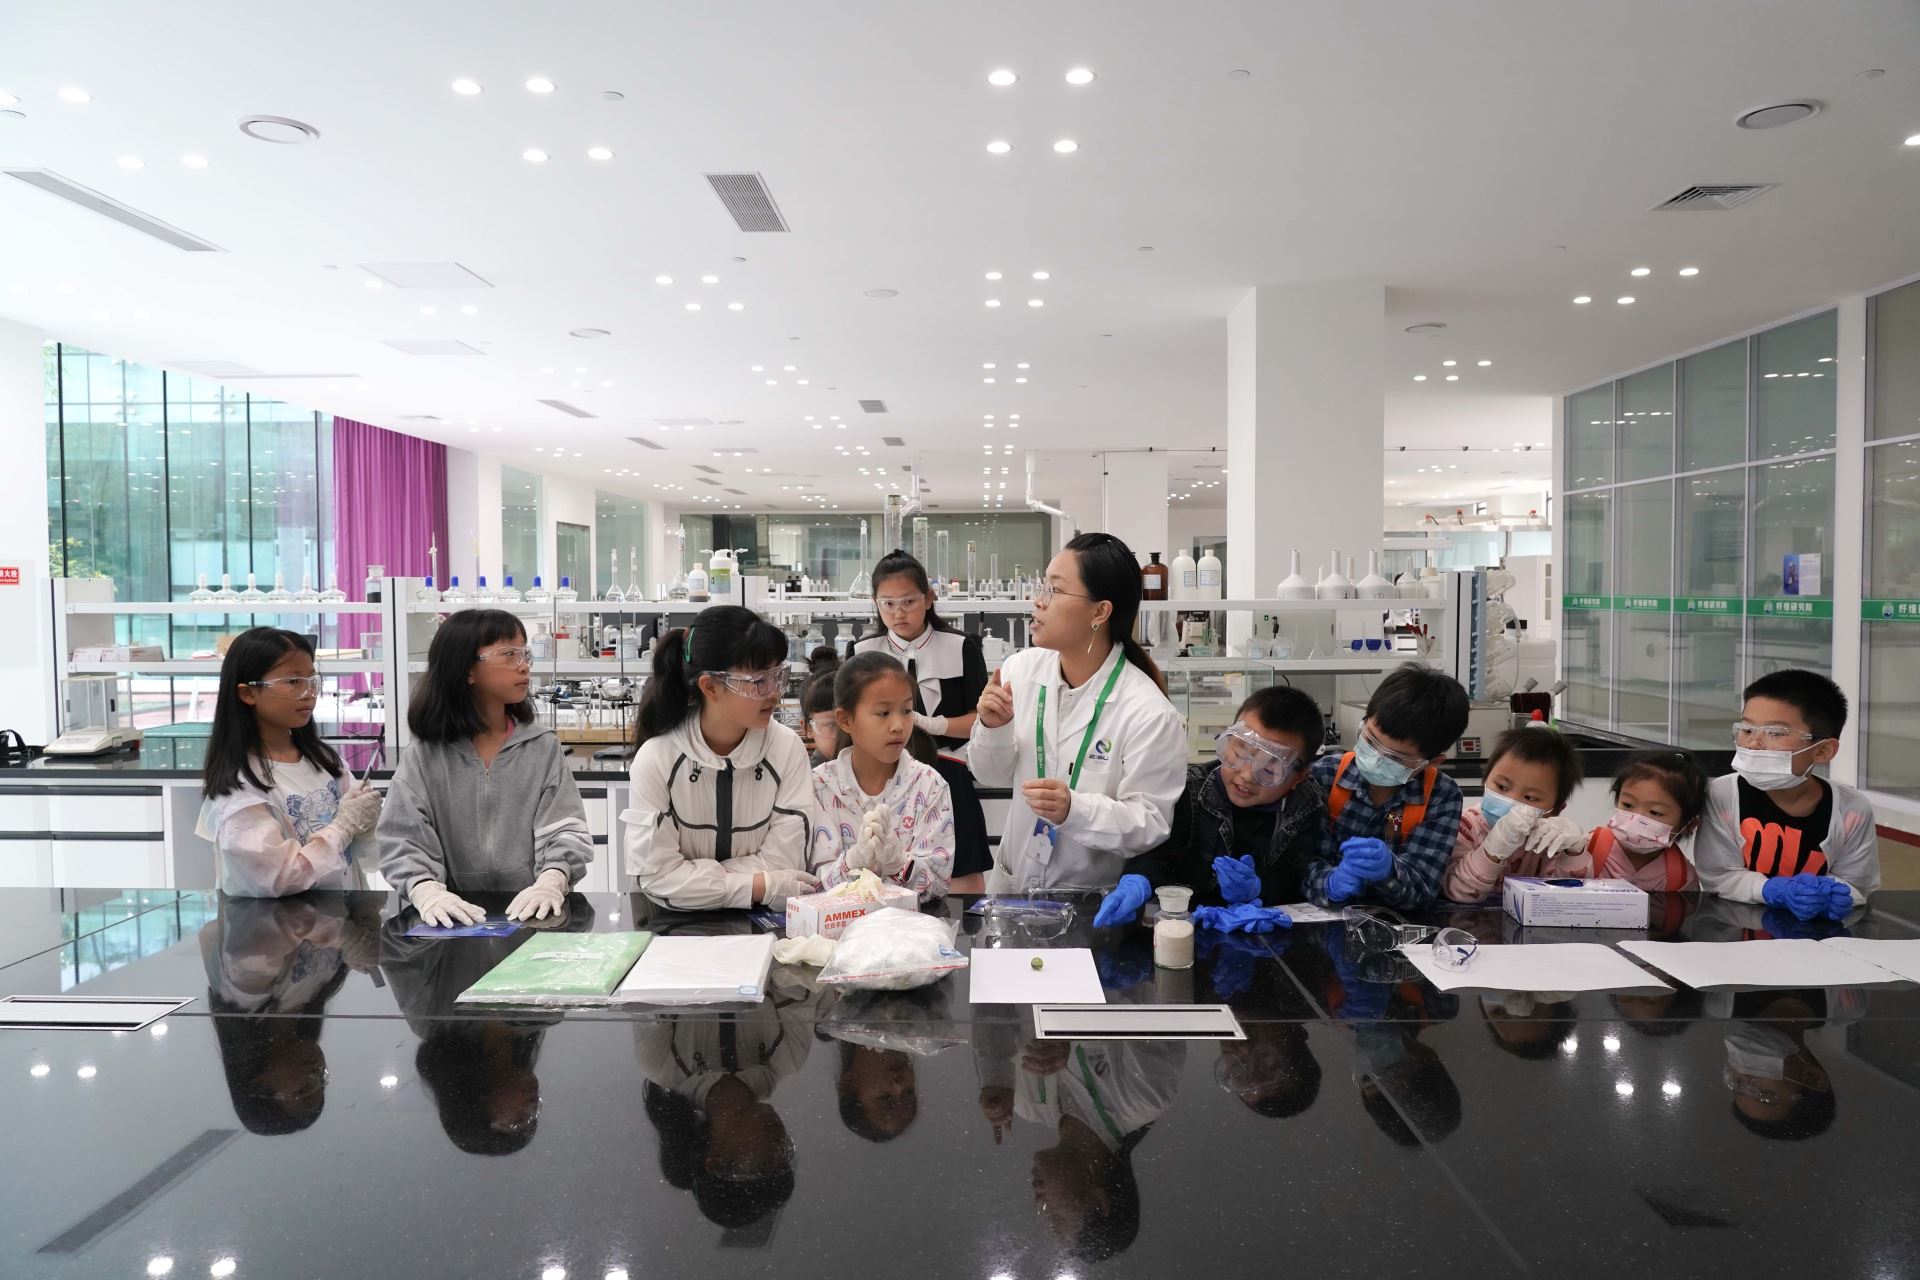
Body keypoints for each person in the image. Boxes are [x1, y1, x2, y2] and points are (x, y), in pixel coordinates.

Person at [970, 532, 1188, 893]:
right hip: (1013, 890)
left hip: (1090, 903)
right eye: (1042, 587)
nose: (1038, 601)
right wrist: (994, 728)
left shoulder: (1149, 712)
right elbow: (989, 774)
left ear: (1100, 612)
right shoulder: (1018, 672)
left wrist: (1076, 810)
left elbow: (1149, 823)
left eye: (1055, 590)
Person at [377, 609, 594, 926]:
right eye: (509, 654)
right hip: (453, 920)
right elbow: (402, 839)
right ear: (467, 669)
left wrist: (552, 880)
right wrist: (426, 891)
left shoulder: (541, 747)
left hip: (532, 916)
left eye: (525, 654)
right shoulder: (425, 755)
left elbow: (565, 830)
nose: (524, 665)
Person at [623, 605, 820, 911]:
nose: (774, 693)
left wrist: (693, 881)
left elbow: (786, 862)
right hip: (673, 924)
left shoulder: (786, 748)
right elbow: (656, 876)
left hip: (763, 920)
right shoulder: (657, 759)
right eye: (759, 681)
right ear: (711, 687)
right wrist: (760, 885)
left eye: (778, 676)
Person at [1093, 684, 1329, 927]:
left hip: (1263, 934)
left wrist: (1258, 887)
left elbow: (1295, 874)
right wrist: (1138, 881)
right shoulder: (1189, 791)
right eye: (1240, 754)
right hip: (1183, 927)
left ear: (1298, 777)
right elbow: (1158, 854)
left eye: (1269, 769)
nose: (1246, 775)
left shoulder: (1306, 807)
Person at [196, 627, 382, 897]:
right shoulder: (241, 786)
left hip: (340, 913)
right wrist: (343, 827)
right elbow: (280, 878)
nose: (309, 693)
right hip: (280, 921)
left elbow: (368, 855)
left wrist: (367, 822)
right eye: (293, 681)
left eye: (312, 680)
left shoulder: (324, 760)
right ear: (248, 693)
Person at [853, 550, 995, 890]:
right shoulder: (863, 653)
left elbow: (981, 718)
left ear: (928, 599)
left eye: (908, 602)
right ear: (875, 603)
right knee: (883, 877)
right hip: (883, 777)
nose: (898, 613)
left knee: (960, 877)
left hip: (948, 771)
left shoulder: (961, 647)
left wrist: (935, 725)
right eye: (887, 604)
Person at [1694, 669, 1879, 920]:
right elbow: (1718, 875)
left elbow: (1857, 884)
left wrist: (1833, 895)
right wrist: (1772, 890)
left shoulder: (1851, 810)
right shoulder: (1722, 795)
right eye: (1747, 729)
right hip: (1737, 925)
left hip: (1817, 932)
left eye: (1776, 733)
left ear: (1822, 750)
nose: (1753, 743)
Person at [1302, 665, 1470, 911]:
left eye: (1396, 757)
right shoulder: (1324, 775)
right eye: (1370, 740)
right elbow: (1299, 863)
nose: (1377, 758)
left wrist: (1389, 871)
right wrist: (1330, 883)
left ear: (1433, 761)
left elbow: (1423, 888)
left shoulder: (1441, 797)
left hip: (1395, 923)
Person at [808, 651, 955, 901]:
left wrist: (900, 864)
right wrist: (853, 861)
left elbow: (938, 886)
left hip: (908, 923)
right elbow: (811, 884)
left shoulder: (929, 784)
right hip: (837, 925)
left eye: (906, 711)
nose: (898, 725)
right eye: (883, 713)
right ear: (845, 719)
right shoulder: (819, 786)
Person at [1439, 726, 1589, 902]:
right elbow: (1459, 891)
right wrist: (1492, 850)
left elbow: (1570, 899)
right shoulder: (1464, 827)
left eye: (1530, 797)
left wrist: (1574, 852)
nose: (1511, 803)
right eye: (1502, 787)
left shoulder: (1551, 841)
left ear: (1555, 810)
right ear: (1485, 780)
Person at [1588, 749, 1709, 892]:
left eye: (1655, 812)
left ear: (1688, 825)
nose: (1636, 819)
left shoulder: (1683, 879)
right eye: (1627, 804)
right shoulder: (1587, 849)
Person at [800, 646, 843, 766]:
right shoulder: (808, 775)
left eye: (850, 720)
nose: (844, 733)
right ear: (807, 728)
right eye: (831, 724)